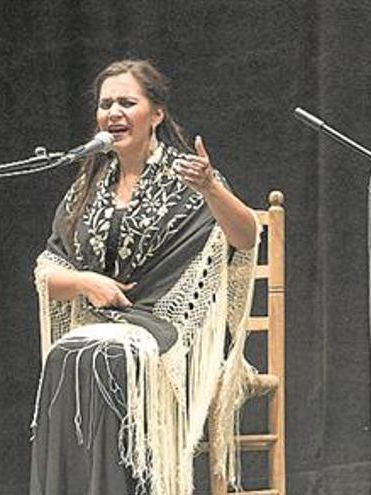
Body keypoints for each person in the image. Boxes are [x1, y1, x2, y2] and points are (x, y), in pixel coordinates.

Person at [30, 59, 263, 495]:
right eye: (105, 104)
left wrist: (212, 188)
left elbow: (246, 235)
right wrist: (86, 282)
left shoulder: (188, 175)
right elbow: (49, 270)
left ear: (156, 114)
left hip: (173, 331)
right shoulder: (88, 186)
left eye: (126, 102)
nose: (113, 112)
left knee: (108, 359)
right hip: (105, 329)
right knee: (68, 355)